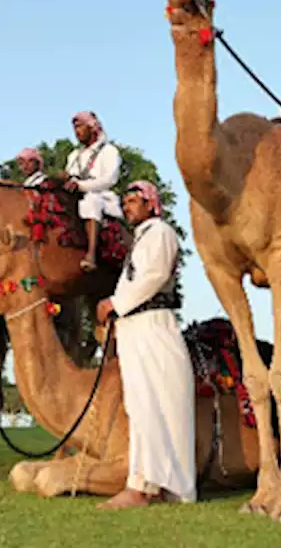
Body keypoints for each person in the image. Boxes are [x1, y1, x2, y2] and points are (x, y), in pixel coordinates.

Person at [94, 181, 195, 509]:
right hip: (136, 328)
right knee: (142, 407)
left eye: (134, 200)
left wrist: (114, 303)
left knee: (153, 406)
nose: (127, 207)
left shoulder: (161, 232)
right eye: (124, 201)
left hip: (154, 329)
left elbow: (152, 277)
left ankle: (144, 487)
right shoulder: (143, 238)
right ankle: (147, 482)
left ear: (152, 204)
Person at [65, 111, 122, 271]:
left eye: (80, 127)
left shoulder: (109, 151)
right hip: (76, 194)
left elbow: (110, 180)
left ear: (92, 128)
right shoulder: (74, 155)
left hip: (101, 196)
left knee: (91, 202)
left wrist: (82, 186)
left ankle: (91, 255)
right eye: (75, 129)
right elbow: (72, 175)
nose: (77, 132)